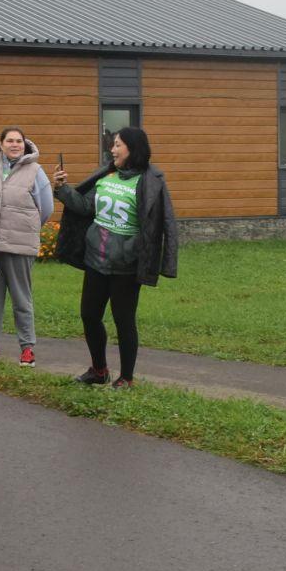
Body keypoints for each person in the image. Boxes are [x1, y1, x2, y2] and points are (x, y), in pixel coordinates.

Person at [52, 126, 178, 388]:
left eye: (118, 144)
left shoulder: (149, 181)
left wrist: (145, 254)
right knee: (89, 315)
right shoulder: (107, 176)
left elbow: (163, 223)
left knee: (124, 321)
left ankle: (126, 378)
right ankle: (99, 370)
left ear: (133, 148)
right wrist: (63, 190)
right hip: (96, 260)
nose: (112, 149)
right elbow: (86, 207)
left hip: (126, 266)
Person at [0, 127, 53, 366]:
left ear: (25, 145)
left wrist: (26, 227)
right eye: (10, 141)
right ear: (1, 143)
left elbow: (46, 208)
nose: (15, 144)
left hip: (19, 245)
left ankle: (27, 348)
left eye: (19, 141)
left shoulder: (35, 171)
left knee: (21, 299)